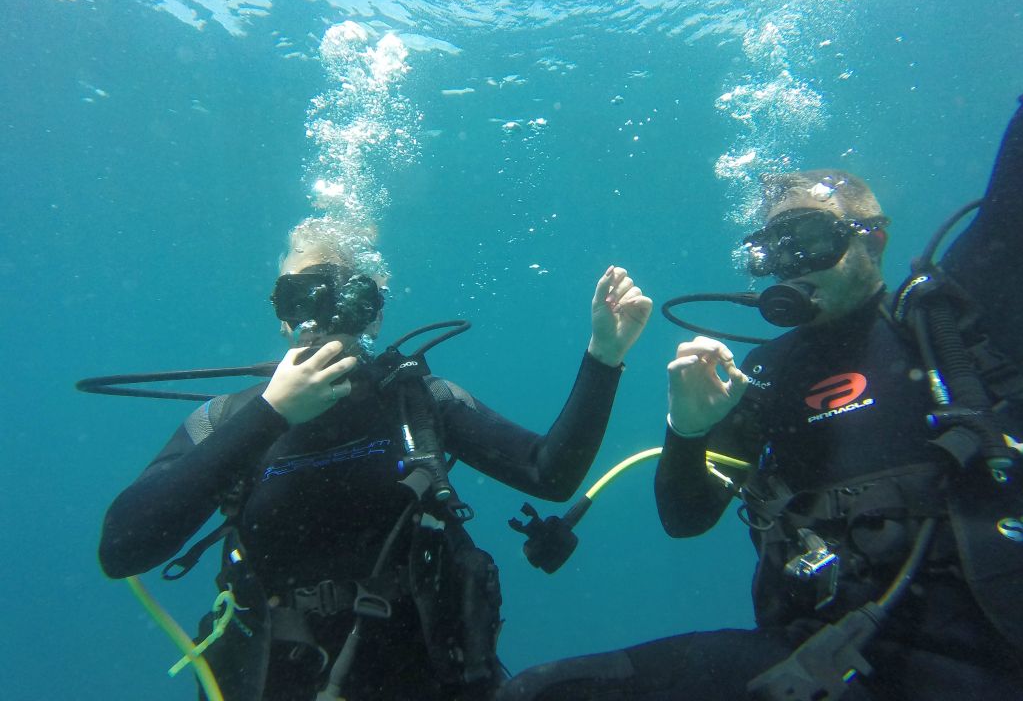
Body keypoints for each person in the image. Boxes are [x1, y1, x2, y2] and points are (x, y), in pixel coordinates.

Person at [496, 96, 1023, 701]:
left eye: (809, 241)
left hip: (988, 654)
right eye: (774, 250)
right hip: (815, 658)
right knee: (541, 692)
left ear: (872, 239)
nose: (789, 266)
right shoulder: (768, 372)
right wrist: (687, 428)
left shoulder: (949, 322)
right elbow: (686, 519)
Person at [98, 215, 652, 701]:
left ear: (371, 313)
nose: (317, 318)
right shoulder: (229, 420)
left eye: (342, 298)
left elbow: (548, 473)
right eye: (297, 296)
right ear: (281, 312)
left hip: (427, 677)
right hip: (272, 681)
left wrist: (604, 357)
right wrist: (270, 414)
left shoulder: (415, 400)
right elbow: (122, 549)